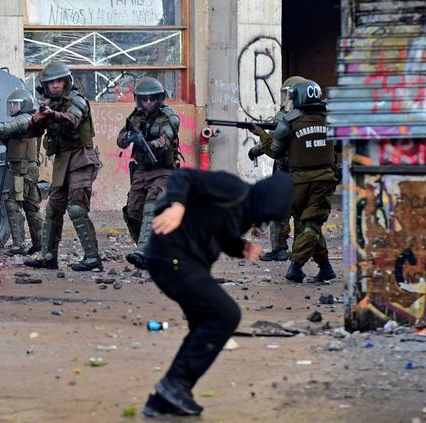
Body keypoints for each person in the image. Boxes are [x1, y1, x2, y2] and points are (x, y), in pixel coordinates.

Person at [142, 168, 293, 417]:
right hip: (172, 255)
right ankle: (174, 385)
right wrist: (177, 206)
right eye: (265, 215)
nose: (261, 222)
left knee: (205, 323)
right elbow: (184, 177)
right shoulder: (232, 187)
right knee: (225, 315)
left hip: (185, 262)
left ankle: (163, 401)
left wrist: (240, 247)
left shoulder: (245, 213)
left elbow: (219, 232)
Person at [249, 79, 337, 283]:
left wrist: (260, 134)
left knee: (310, 225)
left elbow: (274, 151)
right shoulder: (332, 119)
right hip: (323, 180)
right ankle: (308, 267)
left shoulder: (289, 121)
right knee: (311, 225)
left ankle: (314, 267)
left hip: (298, 182)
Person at [24, 61, 102, 271]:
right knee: (53, 209)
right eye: (51, 83)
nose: (56, 86)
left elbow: (73, 120)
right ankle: (48, 257)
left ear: (67, 82)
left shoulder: (77, 100)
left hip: (82, 159)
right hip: (62, 162)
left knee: (76, 208)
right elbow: (30, 134)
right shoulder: (50, 106)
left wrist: (52, 115)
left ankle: (93, 258)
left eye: (59, 81)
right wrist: (37, 119)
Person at [117, 77, 180, 270]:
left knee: (151, 205)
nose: (149, 103)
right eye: (145, 99)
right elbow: (120, 140)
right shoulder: (135, 117)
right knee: (133, 211)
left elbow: (166, 139)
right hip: (142, 171)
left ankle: (144, 250)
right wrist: (130, 137)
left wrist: (149, 144)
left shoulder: (169, 117)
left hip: (163, 170)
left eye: (153, 99)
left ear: (160, 99)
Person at [247, 76, 307, 262]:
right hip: (303, 173)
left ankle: (279, 248)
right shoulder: (311, 116)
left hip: (285, 172)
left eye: (286, 94)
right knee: (300, 214)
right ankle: (300, 250)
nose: (284, 98)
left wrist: (256, 147)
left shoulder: (285, 118)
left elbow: (273, 144)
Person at [0, 89, 43, 256]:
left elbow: (6, 128)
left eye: (14, 104)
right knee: (31, 206)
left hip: (23, 170)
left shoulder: (24, 119)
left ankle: (19, 244)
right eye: (10, 104)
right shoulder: (27, 120)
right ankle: (40, 242)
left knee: (12, 204)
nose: (10, 107)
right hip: (25, 168)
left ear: (24, 105)